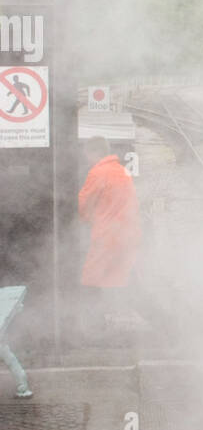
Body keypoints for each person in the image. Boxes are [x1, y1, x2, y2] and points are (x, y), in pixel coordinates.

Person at [78, 136, 143, 336]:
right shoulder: (122, 171)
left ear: (93, 152)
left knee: (92, 278)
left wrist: (89, 220)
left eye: (87, 155)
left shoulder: (98, 172)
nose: (87, 159)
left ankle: (93, 327)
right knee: (121, 276)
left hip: (106, 235)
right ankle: (158, 318)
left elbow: (84, 203)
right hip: (128, 233)